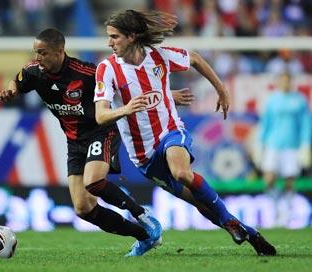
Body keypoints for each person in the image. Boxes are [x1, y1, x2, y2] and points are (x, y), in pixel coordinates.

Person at [0, 28, 194, 257]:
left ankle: (142, 214)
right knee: (83, 207)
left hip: (101, 130)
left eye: (42, 53)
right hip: (74, 142)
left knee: (93, 182)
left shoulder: (86, 73)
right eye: (36, 52)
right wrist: (10, 92)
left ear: (59, 52)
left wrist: (166, 94)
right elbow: (16, 83)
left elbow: (123, 86)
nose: (37, 58)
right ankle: (144, 236)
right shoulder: (34, 72)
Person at [94, 9, 277, 256]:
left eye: (115, 36)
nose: (109, 42)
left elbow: (195, 59)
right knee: (201, 204)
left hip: (170, 132)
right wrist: (125, 109)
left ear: (132, 36)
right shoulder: (107, 69)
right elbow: (101, 115)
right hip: (143, 156)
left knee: (181, 172)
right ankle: (249, 233)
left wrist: (221, 89)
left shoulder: (159, 57)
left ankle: (233, 224)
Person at [259, 72, 311, 225]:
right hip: (273, 144)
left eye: (288, 81)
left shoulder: (300, 101)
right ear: (278, 82)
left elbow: (305, 123)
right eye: (282, 80)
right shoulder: (272, 100)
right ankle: (275, 209)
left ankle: (286, 213)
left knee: (289, 181)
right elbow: (265, 122)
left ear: (291, 82)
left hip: (292, 145)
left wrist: (306, 143)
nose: (285, 83)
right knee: (269, 178)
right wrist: (260, 143)